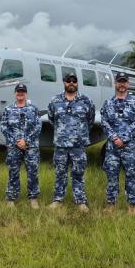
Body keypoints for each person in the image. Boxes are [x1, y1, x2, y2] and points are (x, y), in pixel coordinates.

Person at [47, 72, 95, 212]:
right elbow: (52, 120)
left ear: (77, 83)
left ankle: (80, 202)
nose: (71, 83)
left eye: (74, 80)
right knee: (60, 173)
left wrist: (79, 134)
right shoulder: (55, 101)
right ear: (64, 82)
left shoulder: (86, 101)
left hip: (78, 146)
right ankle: (57, 200)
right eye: (69, 80)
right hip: (61, 145)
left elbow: (90, 121)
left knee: (78, 173)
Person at [100, 72, 135, 215]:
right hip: (112, 148)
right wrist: (114, 138)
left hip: (129, 147)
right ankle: (111, 204)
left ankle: (133, 205)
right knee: (111, 175)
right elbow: (104, 122)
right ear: (115, 84)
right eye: (119, 81)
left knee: (131, 176)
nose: (122, 84)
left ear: (128, 84)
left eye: (124, 82)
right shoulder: (108, 103)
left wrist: (124, 139)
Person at [0, 83, 42, 209]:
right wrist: (16, 141)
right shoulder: (8, 109)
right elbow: (3, 126)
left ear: (26, 94)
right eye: (18, 91)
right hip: (14, 147)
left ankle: (33, 198)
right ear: (15, 93)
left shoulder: (33, 109)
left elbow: (38, 126)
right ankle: (11, 198)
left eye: (22, 91)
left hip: (31, 147)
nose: (20, 93)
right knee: (13, 172)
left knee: (33, 172)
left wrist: (26, 141)